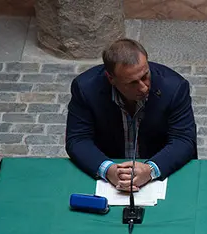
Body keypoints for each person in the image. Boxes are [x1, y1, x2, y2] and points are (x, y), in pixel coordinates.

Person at [65, 38, 197, 191]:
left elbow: (184, 140)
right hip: (110, 177)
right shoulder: (85, 89)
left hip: (161, 175)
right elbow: (78, 140)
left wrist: (150, 170)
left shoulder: (174, 88)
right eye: (132, 82)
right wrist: (109, 170)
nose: (143, 87)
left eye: (145, 76)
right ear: (111, 78)